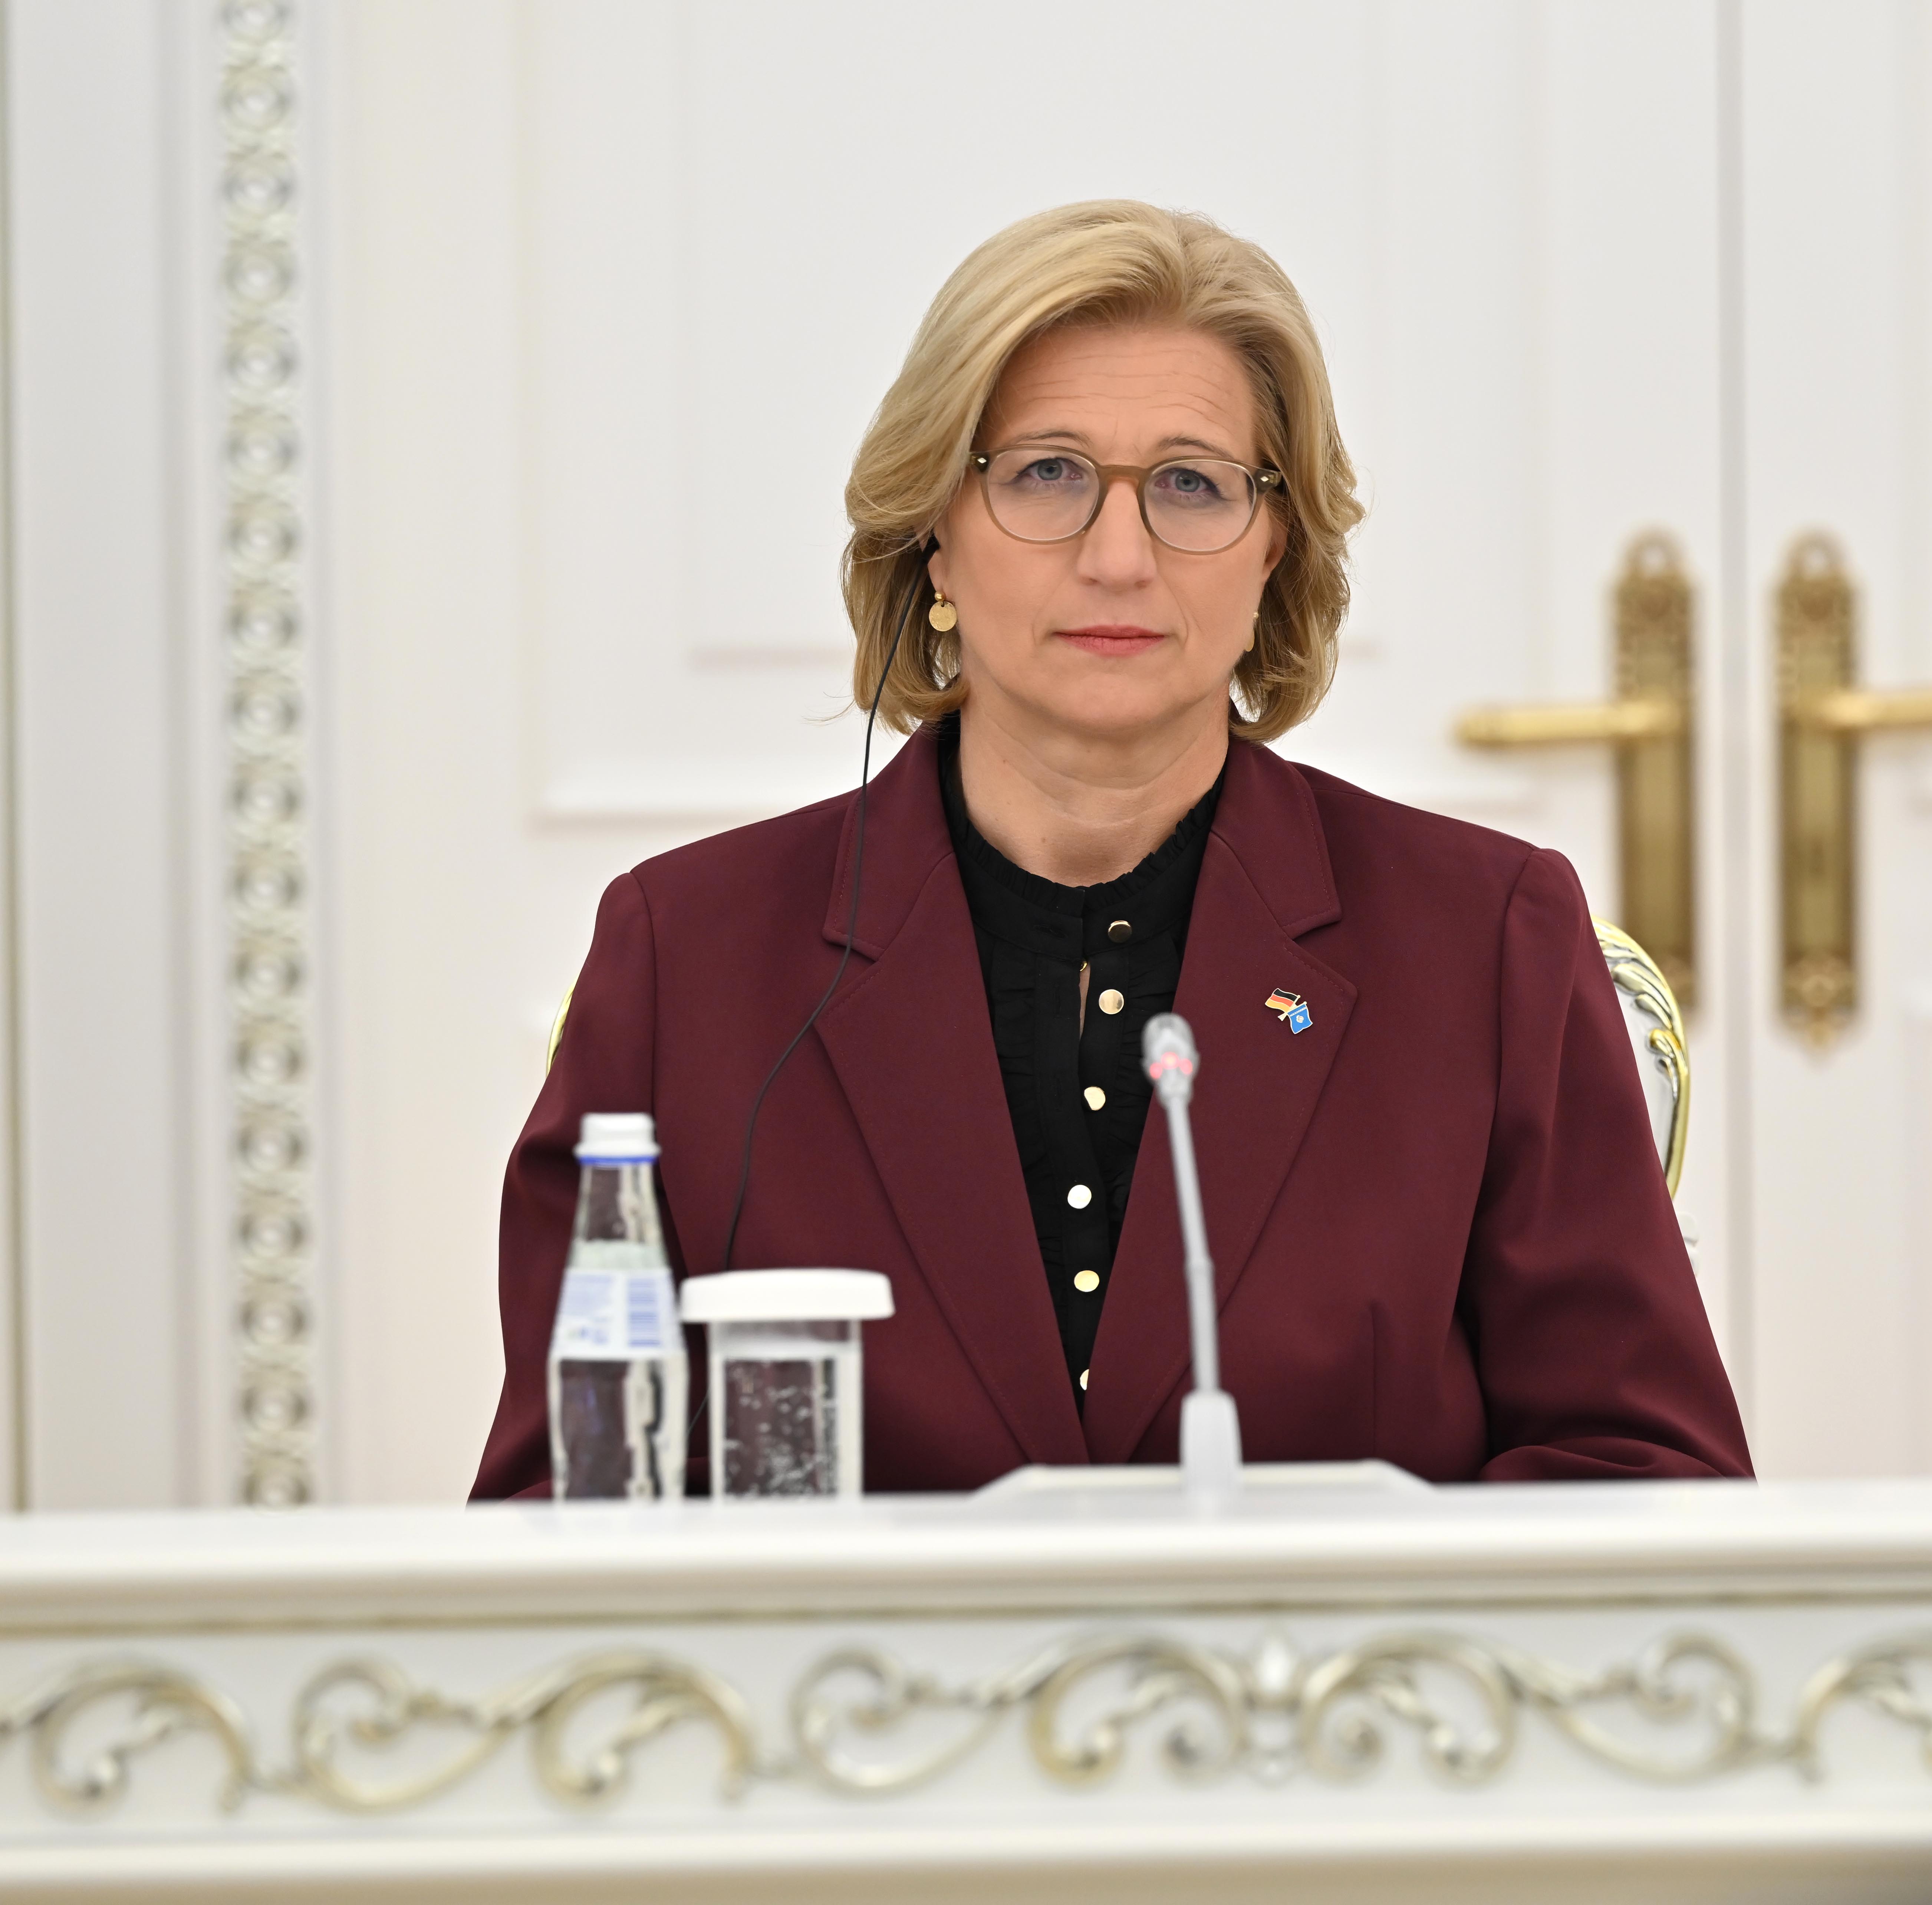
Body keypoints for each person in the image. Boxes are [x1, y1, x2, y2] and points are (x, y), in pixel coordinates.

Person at [471, 200, 1750, 1497]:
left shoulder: (1484, 939)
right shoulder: (686, 956)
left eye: (1193, 484)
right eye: (1047, 474)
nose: (1120, 557)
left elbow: (1648, 1476)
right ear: (935, 534)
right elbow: (560, 1508)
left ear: (1274, 548)